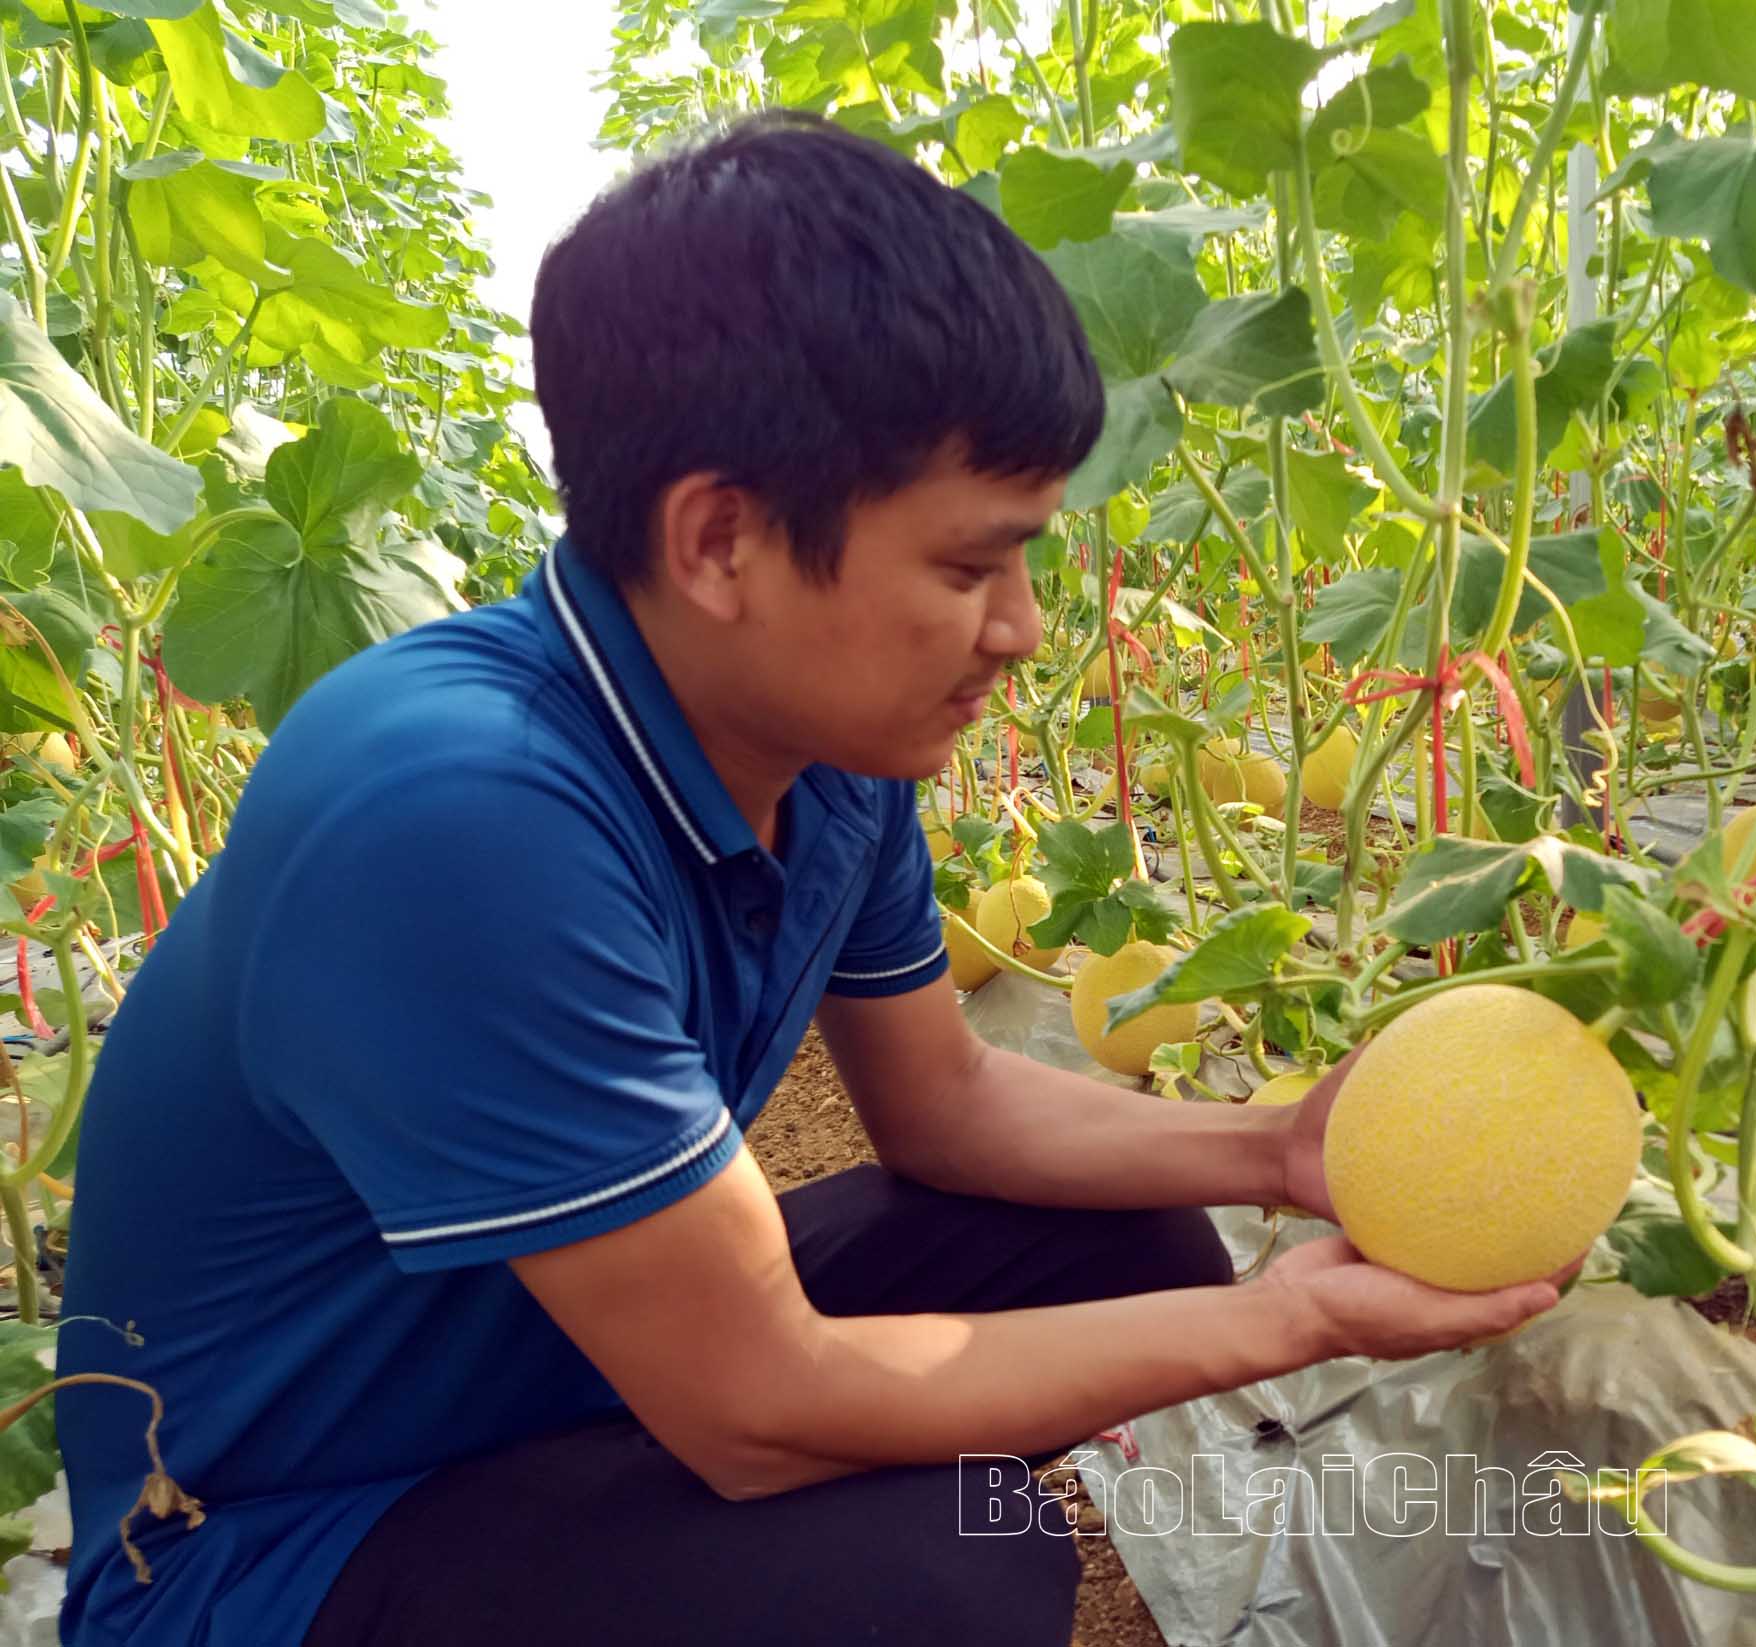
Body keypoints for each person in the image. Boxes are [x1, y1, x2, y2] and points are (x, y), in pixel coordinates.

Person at [53, 110, 1569, 1645]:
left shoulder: (822, 751)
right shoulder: (457, 812)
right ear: (722, 541)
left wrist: (1281, 1151)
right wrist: (1291, 1316)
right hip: (279, 1544)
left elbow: (950, 1108)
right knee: (938, 1585)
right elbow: (757, 1407)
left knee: (1116, 1247)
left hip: (559, 1372)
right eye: (970, 568)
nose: (1024, 629)